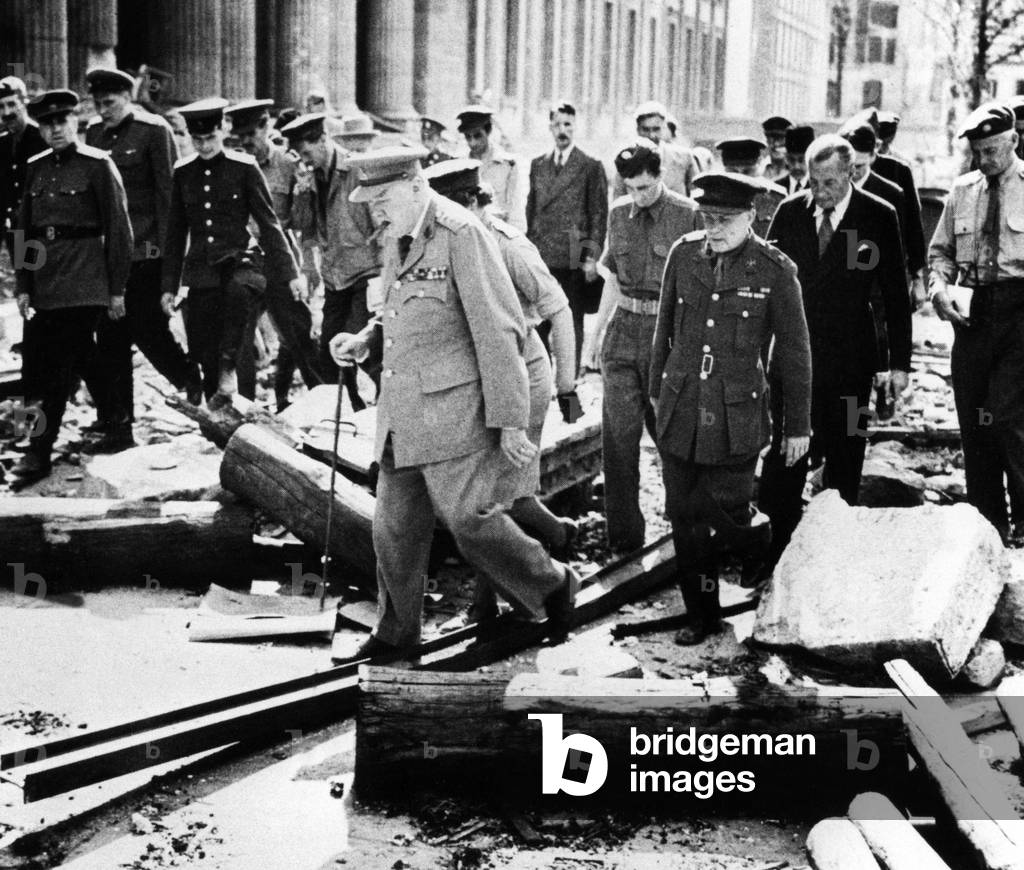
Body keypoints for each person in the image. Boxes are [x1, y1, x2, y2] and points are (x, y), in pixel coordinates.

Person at [328, 146, 575, 659]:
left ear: (416, 185)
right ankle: (397, 633)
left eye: (383, 197)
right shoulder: (399, 235)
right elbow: (400, 313)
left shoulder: (462, 235)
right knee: (393, 527)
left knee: (470, 521)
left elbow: (499, 330)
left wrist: (509, 423)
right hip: (402, 410)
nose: (376, 210)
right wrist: (366, 340)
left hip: (454, 411)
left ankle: (551, 582)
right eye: (370, 201)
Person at [650, 173, 811, 644]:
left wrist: (797, 425)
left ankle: (759, 541)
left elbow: (795, 354)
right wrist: (658, 397)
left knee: (723, 511)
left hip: (736, 414)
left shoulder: (774, 270)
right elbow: (664, 329)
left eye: (725, 220)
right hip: (682, 407)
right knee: (684, 517)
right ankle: (702, 617)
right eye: (708, 218)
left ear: (751, 217)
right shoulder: (683, 254)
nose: (714, 229)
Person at [425, 158, 581, 621]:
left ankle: (490, 602)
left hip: (523, 371)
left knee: (488, 495)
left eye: (458, 205)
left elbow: (561, 312)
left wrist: (568, 385)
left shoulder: (509, 246)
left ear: (477, 201)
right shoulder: (444, 241)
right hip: (479, 373)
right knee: (499, 491)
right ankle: (556, 537)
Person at [757, 134, 911, 574]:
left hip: (852, 363)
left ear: (850, 174)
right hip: (793, 358)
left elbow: (895, 295)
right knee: (787, 451)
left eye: (829, 183)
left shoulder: (877, 216)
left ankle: (833, 554)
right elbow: (766, 281)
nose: (820, 193)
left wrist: (898, 365)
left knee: (847, 451)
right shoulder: (790, 212)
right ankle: (778, 551)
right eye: (813, 182)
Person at [10, 89, 133, 486]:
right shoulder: (35, 167)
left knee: (57, 367)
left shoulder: (98, 165)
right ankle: (115, 419)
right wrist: (24, 283)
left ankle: (38, 450)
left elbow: (120, 231)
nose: (54, 130)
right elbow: (24, 231)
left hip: (85, 280)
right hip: (47, 282)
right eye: (47, 124)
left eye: (61, 121)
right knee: (71, 358)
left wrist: (116, 289)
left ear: (75, 122)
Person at [81, 67, 199, 453]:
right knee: (111, 340)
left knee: (148, 329)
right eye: (98, 103)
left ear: (127, 97)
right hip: (110, 257)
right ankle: (120, 429)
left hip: (148, 251)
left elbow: (170, 200)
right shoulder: (95, 135)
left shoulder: (154, 131)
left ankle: (190, 381)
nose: (103, 110)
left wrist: (172, 269)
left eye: (110, 102)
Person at [161, 98, 303, 406]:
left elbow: (269, 224)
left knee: (236, 324)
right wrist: (169, 286)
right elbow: (175, 234)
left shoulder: (244, 168)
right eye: (197, 140)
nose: (204, 146)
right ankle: (217, 410)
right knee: (203, 346)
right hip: (201, 269)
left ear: (222, 132)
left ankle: (241, 400)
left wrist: (291, 273)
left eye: (209, 138)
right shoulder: (184, 172)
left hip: (241, 263)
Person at [593, 139, 699, 553]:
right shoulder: (619, 212)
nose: (637, 196)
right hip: (623, 332)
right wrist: (595, 336)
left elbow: (697, 288)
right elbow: (613, 278)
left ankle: (685, 531)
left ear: (660, 176)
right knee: (618, 442)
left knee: (671, 438)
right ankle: (624, 542)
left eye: (644, 187)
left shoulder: (687, 214)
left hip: (666, 335)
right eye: (630, 188)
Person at [929, 102, 1024, 546]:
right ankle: (989, 524)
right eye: (978, 152)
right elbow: (940, 253)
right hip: (971, 315)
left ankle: (1023, 515)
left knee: (1008, 415)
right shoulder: (962, 191)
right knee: (975, 420)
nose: (984, 160)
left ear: (1013, 142)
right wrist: (938, 290)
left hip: (1020, 314)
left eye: (992, 150)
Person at [224, 98, 323, 411]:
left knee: (300, 335)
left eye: (251, 134)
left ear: (265, 126)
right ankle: (244, 412)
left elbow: (305, 224)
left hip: (280, 261)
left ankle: (324, 405)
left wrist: (308, 266)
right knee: (240, 341)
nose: (246, 143)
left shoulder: (288, 166)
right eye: (239, 137)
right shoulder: (229, 166)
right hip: (243, 263)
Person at [283, 111, 380, 412]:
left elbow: (379, 224)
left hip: (365, 274)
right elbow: (301, 225)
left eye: (307, 152)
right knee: (329, 353)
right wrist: (300, 190)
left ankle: (385, 412)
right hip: (335, 278)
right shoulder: (311, 177)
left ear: (323, 139)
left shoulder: (355, 170)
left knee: (359, 347)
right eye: (299, 154)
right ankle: (354, 412)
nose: (304, 160)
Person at [525, 101, 607, 378]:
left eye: (568, 124)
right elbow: (531, 211)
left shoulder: (590, 166)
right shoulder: (538, 165)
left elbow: (597, 215)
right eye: (558, 124)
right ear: (550, 127)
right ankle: (542, 380)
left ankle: (569, 385)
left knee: (571, 320)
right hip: (542, 254)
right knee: (539, 320)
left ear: (575, 126)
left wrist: (592, 259)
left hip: (573, 255)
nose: (563, 130)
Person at [0, 76, 48, 405]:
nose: (6, 112)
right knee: (27, 301)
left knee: (41, 305)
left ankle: (45, 383)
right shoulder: (2, 144)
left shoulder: (39, 139)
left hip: (41, 237)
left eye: (11, 105)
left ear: (24, 102)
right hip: (15, 236)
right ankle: (35, 380)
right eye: (0, 107)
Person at [456, 104, 524, 230]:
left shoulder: (508, 164)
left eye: (477, 135)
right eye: (468, 137)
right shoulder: (459, 165)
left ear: (488, 131)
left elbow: (515, 212)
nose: (472, 142)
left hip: (497, 235)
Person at [613, 101, 696, 197]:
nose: (651, 135)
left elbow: (695, 194)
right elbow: (618, 200)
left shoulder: (684, 157)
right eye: (646, 129)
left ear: (664, 127)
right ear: (638, 130)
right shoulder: (626, 159)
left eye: (656, 129)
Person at [714, 137, 785, 239]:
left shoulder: (776, 198)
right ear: (724, 168)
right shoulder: (710, 198)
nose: (741, 179)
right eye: (733, 172)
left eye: (747, 172)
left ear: (759, 163)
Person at [775, 125, 815, 195]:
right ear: (786, 158)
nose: (796, 166)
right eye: (792, 160)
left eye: (801, 160)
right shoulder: (775, 187)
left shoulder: (817, 187)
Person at [762, 116, 792, 180]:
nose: (776, 144)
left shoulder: (796, 168)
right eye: (771, 139)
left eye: (781, 139)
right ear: (767, 140)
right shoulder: (759, 167)